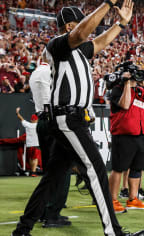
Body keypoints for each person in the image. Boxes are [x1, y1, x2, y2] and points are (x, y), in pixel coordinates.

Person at [12, 0, 144, 235]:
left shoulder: (77, 50)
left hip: (72, 119)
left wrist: (121, 23)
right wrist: (108, 4)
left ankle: (22, 229)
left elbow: (99, 41)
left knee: (52, 178)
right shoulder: (58, 45)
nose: (88, 28)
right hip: (68, 118)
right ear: (68, 28)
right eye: (80, 23)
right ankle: (113, 232)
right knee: (95, 168)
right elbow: (84, 32)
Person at [29, 50, 72, 228]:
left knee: (49, 170)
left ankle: (44, 211)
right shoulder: (50, 72)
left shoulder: (35, 73)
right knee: (63, 168)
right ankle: (53, 213)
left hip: (42, 122)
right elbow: (54, 100)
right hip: (53, 122)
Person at [109, 69, 144, 213]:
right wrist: (126, 84)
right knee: (118, 168)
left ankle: (133, 199)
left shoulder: (141, 90)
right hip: (123, 134)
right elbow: (124, 105)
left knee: (137, 168)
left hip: (141, 133)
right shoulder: (117, 89)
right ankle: (112, 200)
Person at [15, 108, 41, 177]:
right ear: (37, 119)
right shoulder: (38, 125)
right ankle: (33, 172)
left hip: (29, 145)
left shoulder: (28, 125)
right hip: (36, 144)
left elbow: (21, 119)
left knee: (30, 158)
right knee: (35, 158)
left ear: (31, 119)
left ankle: (32, 171)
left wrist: (17, 113)